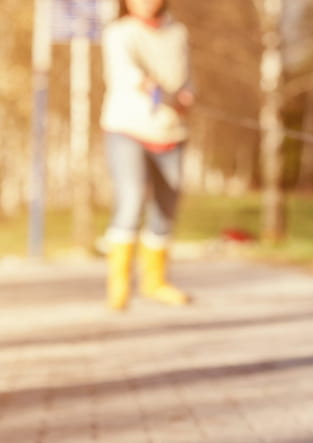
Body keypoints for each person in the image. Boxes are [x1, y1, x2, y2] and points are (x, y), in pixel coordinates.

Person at [100, 0, 193, 310]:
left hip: (170, 130)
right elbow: (126, 72)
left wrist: (187, 94)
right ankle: (119, 283)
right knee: (132, 195)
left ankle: (155, 282)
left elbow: (185, 74)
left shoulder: (178, 31)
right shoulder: (119, 33)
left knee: (168, 204)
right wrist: (149, 85)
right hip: (127, 127)